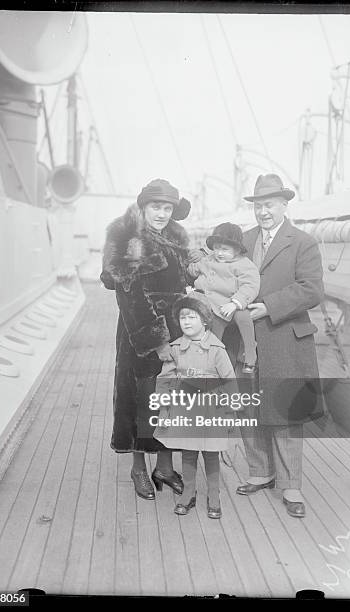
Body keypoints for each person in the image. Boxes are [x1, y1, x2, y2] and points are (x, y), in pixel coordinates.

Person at [101, 178, 199, 501]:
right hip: (140, 333)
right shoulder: (130, 237)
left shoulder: (175, 237)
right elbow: (130, 296)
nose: (162, 213)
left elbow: (185, 281)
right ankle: (139, 467)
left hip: (177, 330)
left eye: (168, 207)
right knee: (142, 400)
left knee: (169, 401)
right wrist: (158, 342)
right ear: (144, 206)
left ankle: (165, 468)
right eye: (156, 206)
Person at [236, 174, 324, 518]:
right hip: (247, 340)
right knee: (247, 405)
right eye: (258, 206)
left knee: (286, 411)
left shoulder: (303, 242)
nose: (263, 212)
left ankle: (291, 485)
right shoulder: (242, 241)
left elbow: (312, 289)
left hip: (285, 338)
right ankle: (261, 472)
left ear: (284, 205)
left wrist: (268, 305)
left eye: (269, 205)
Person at [153, 291, 237, 519]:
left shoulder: (217, 350)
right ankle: (188, 493)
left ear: (205, 320)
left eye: (192, 317)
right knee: (188, 453)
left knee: (211, 454)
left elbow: (230, 381)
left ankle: (213, 495)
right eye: (183, 318)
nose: (186, 322)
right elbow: (165, 379)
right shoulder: (176, 348)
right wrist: (164, 407)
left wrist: (231, 413)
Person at [188, 222, 260, 374]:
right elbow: (196, 268)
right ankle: (211, 365)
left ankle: (250, 352)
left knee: (244, 316)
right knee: (214, 336)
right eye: (216, 248)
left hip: (232, 304)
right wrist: (192, 269)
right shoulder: (209, 260)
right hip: (215, 308)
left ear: (237, 250)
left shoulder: (243, 264)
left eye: (225, 249)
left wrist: (235, 303)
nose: (219, 253)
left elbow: (250, 285)